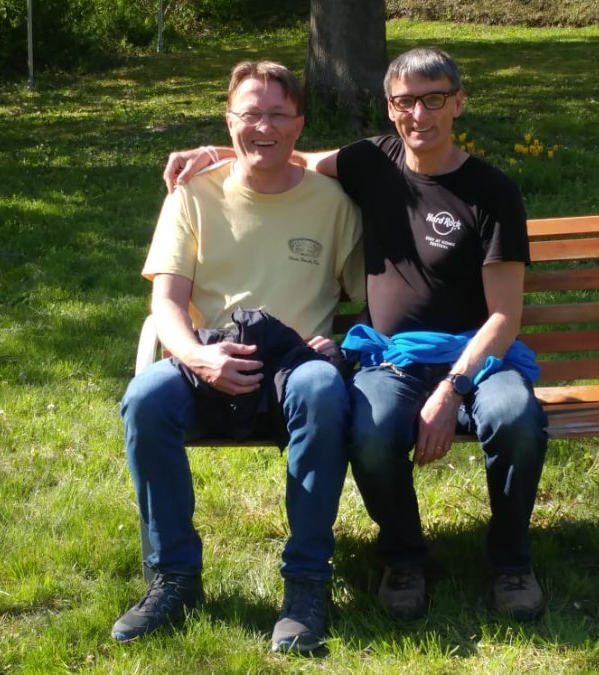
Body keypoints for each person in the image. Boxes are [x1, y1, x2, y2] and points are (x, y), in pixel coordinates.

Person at [164, 47, 549, 621]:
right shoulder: (371, 161)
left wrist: (452, 390)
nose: (419, 114)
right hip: (391, 362)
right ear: (390, 108)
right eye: (405, 102)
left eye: (435, 99)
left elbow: (504, 318)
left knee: (516, 417)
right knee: (368, 432)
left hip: (479, 361)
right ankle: (404, 559)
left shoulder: (491, 192)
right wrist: (216, 151)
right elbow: (287, 153)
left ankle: (512, 562)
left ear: (458, 103)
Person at [117, 60, 364, 655]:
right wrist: (199, 359)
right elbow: (166, 302)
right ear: (229, 121)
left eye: (279, 115)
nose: (264, 127)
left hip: (293, 368)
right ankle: (173, 579)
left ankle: (306, 585)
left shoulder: (333, 203)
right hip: (209, 355)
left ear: (300, 124)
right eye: (251, 114)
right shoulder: (191, 195)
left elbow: (376, 298)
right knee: (145, 398)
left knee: (323, 390)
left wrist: (344, 345)